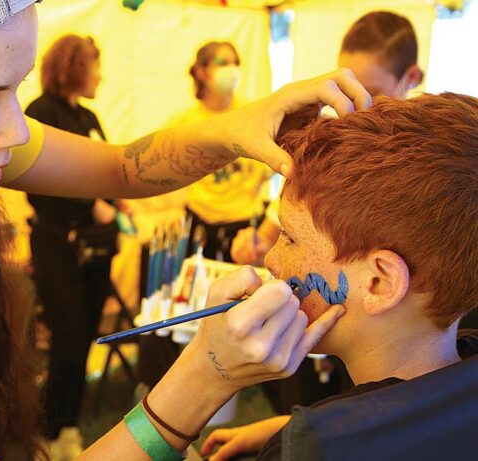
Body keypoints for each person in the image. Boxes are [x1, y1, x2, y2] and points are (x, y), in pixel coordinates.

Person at [0, 1, 372, 460]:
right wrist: (204, 376)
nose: (15, 133)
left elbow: (119, 166)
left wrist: (233, 128)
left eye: (15, 89)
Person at [201, 93, 478, 461]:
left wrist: (205, 376)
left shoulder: (315, 448)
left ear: (379, 283)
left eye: (290, 238)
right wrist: (287, 427)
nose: (271, 259)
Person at [231, 10, 424, 266]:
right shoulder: (332, 144)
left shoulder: (423, 159)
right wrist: (256, 245)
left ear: (411, 78)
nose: (357, 104)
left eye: (372, 92)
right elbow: (269, 237)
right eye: (347, 88)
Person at [24, 34, 116, 460]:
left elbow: (106, 169)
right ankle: (47, 430)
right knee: (68, 338)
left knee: (85, 340)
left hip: (97, 249)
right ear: (75, 66)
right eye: (96, 65)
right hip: (58, 244)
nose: (100, 74)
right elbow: (37, 180)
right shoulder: (41, 111)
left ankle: (70, 428)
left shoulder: (91, 116)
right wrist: (90, 203)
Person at [169, 41, 274, 262]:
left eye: (235, 62)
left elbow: (271, 162)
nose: (232, 69)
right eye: (223, 62)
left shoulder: (252, 113)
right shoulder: (184, 123)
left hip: (244, 227)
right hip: (200, 224)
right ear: (202, 72)